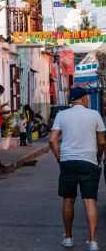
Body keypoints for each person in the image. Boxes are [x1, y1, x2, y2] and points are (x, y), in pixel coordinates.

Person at [50, 87, 105, 250]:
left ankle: (68, 238)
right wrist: (99, 156)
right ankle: (93, 241)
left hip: (68, 161)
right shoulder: (94, 114)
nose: (88, 100)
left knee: (68, 200)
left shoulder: (61, 115)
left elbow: (52, 140)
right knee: (89, 201)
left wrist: (60, 158)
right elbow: (102, 142)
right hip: (89, 161)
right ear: (82, 99)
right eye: (87, 98)